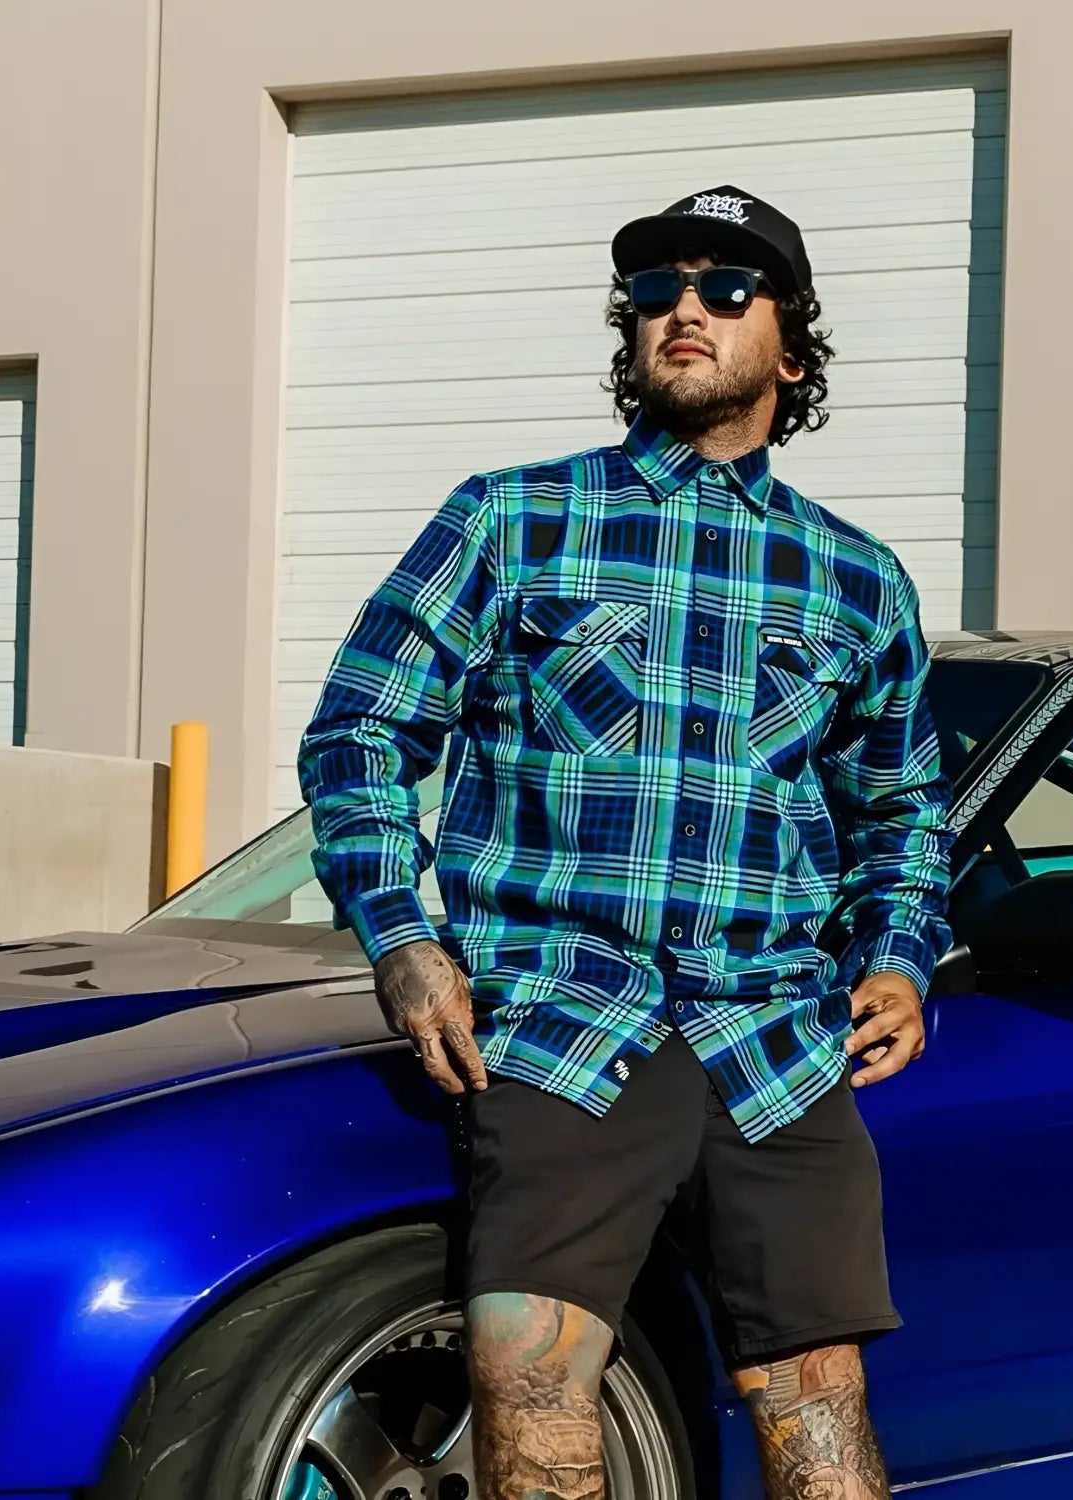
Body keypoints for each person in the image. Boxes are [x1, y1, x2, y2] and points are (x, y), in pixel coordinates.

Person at [299, 183, 954, 1500]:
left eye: (726, 288)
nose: (683, 312)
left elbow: (900, 806)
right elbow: (359, 735)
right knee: (531, 1370)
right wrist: (404, 941)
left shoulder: (856, 579)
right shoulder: (512, 521)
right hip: (563, 1017)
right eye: (657, 290)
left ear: (793, 342)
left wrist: (898, 959)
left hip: (773, 1033)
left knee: (819, 1398)